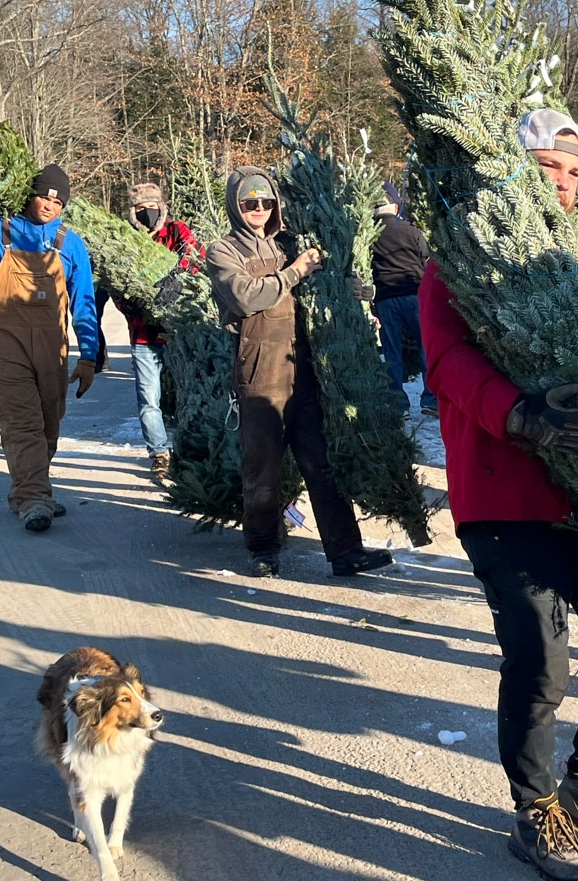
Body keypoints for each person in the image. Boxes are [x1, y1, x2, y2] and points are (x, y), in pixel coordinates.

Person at [418, 108, 578, 881]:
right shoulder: (462, 257)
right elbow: (445, 361)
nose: (559, 181)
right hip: (503, 494)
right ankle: (535, 811)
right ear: (513, 172)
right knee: (538, 660)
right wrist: (524, 415)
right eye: (543, 167)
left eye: (569, 168)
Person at [205, 166, 393, 579]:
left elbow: (326, 290)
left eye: (266, 202)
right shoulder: (223, 251)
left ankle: (345, 551)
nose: (258, 208)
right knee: (263, 469)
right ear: (236, 206)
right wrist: (295, 272)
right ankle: (263, 550)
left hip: (302, 369)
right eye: (249, 202)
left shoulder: (292, 243)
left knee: (322, 465)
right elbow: (245, 297)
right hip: (258, 374)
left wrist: (356, 291)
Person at [0, 164, 98, 532]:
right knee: (22, 421)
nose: (49, 205)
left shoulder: (69, 243)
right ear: (30, 194)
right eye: (44, 195)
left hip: (51, 347)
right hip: (4, 343)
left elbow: (84, 301)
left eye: (58, 200)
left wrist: (89, 355)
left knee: (48, 421)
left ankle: (29, 487)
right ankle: (34, 499)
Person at [122, 182, 205, 482]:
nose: (147, 213)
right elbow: (116, 283)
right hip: (143, 336)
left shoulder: (176, 232)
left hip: (178, 333)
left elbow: (196, 256)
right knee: (149, 398)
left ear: (162, 206)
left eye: (152, 207)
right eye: (140, 209)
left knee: (188, 395)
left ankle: (189, 450)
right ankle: (159, 454)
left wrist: (177, 278)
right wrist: (133, 306)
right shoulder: (127, 240)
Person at [371, 181, 437, 417]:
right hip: (414, 295)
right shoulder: (411, 230)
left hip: (386, 299)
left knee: (392, 352)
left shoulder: (370, 234)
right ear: (396, 207)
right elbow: (426, 258)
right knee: (426, 348)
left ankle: (398, 405)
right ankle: (431, 399)